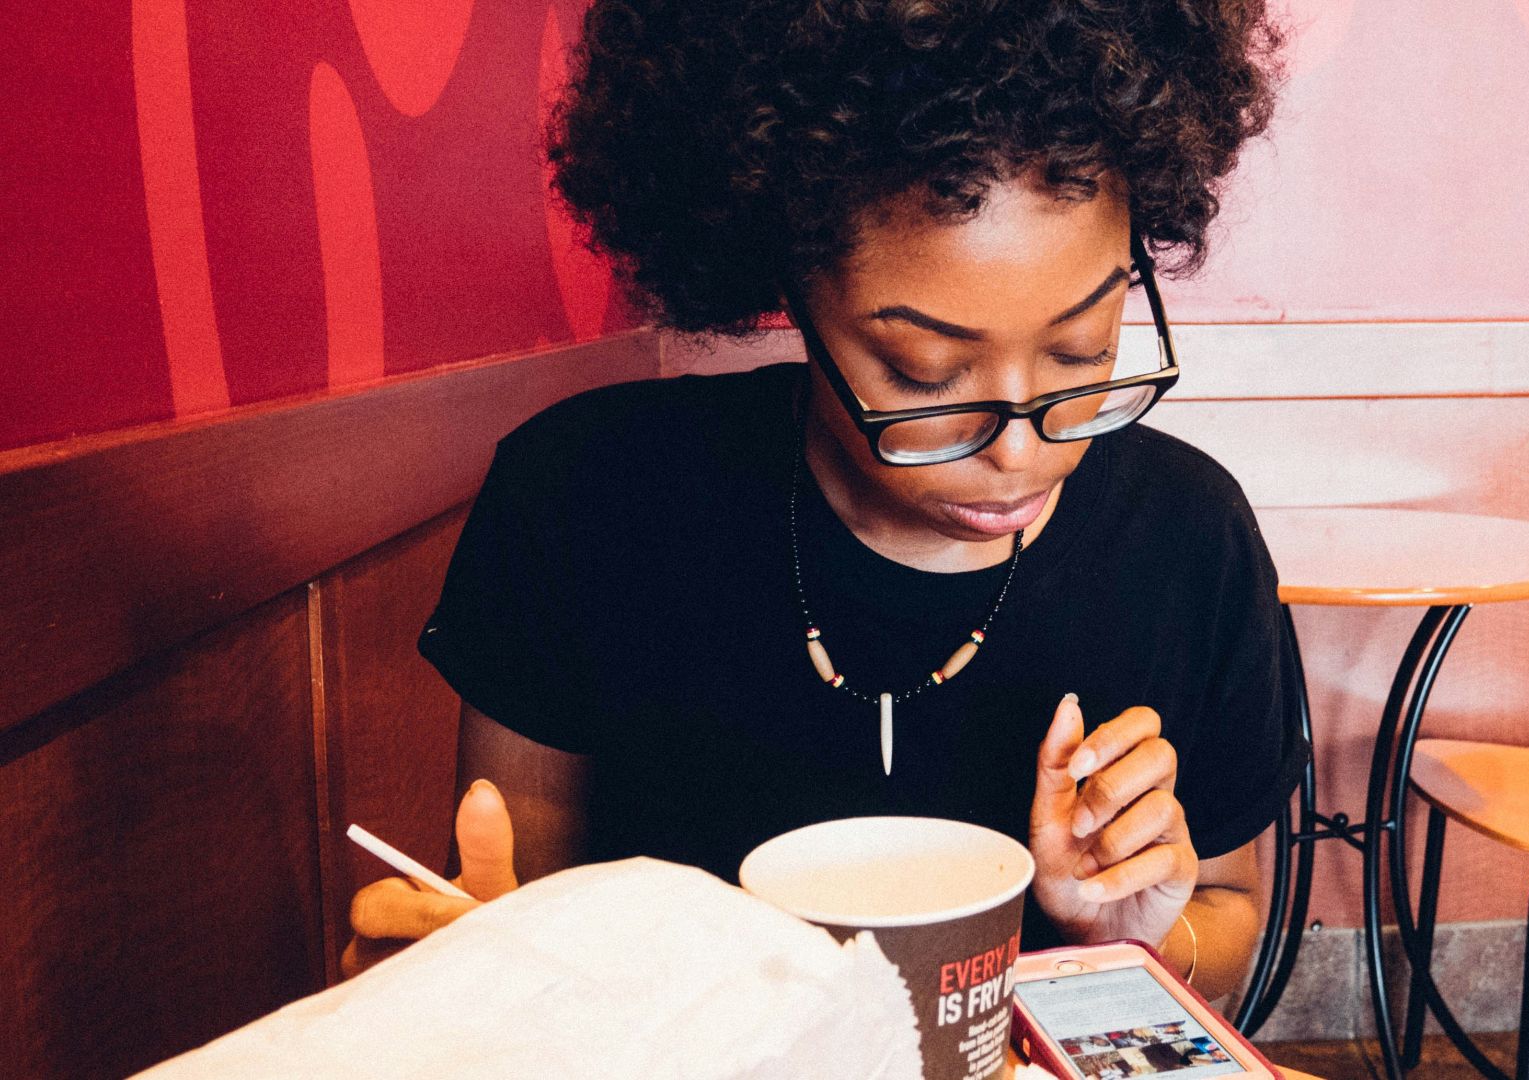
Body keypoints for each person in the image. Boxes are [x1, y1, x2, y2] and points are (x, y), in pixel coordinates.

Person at [345, 0, 1297, 1006]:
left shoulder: (1188, 538)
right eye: (924, 372)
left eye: (1082, 350)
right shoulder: (585, 500)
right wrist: (450, 985)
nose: (1022, 453)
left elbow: (1228, 911)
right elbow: (507, 906)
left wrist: (1136, 940)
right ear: (792, 284)